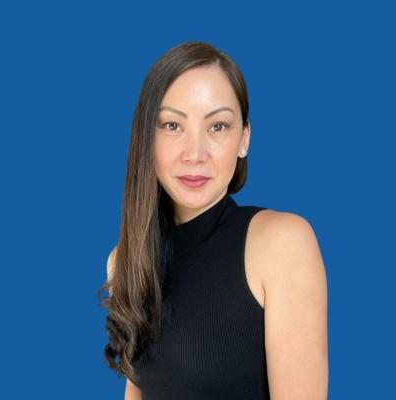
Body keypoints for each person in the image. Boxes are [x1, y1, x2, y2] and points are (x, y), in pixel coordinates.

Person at [99, 41, 328, 400]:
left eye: (218, 126)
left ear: (244, 139)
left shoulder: (282, 244)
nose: (195, 153)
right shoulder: (126, 262)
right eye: (172, 125)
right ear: (147, 138)